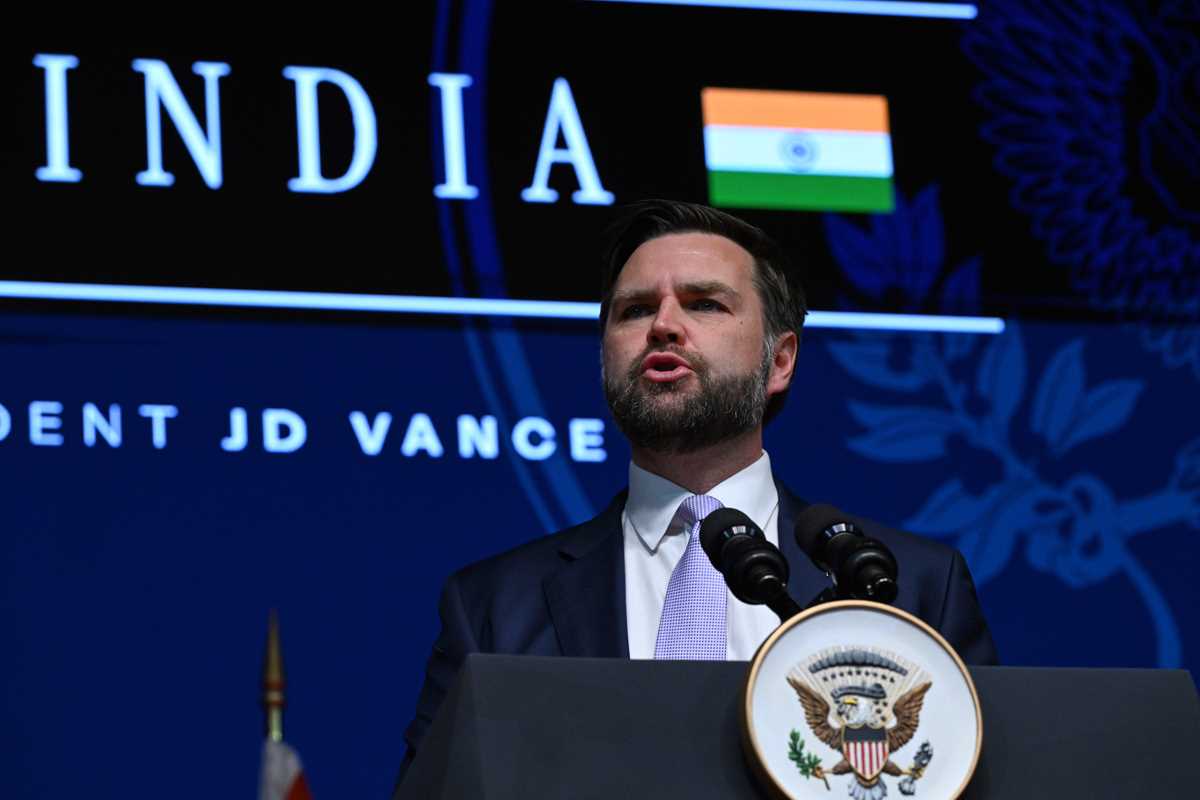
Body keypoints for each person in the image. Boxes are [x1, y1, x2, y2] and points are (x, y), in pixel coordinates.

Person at [396, 199, 997, 777]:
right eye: (634, 310)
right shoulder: (494, 605)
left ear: (780, 360)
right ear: (604, 357)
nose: (663, 325)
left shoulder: (913, 587)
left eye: (704, 304)